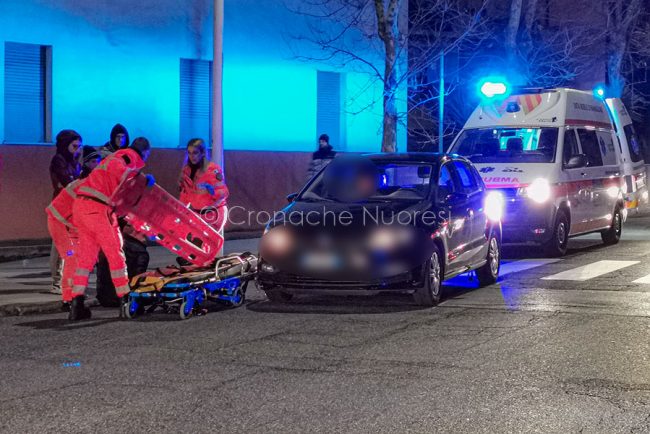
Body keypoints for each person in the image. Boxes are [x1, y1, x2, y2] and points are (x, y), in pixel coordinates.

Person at [69, 137, 152, 321]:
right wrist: (144, 180)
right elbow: (127, 181)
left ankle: (77, 303)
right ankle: (125, 302)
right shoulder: (127, 161)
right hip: (98, 209)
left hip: (81, 208)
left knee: (85, 259)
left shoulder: (111, 159)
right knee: (115, 255)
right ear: (144, 153)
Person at [45, 150, 100, 311]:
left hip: (68, 223)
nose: (97, 165)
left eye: (99, 162)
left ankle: (74, 295)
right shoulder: (85, 184)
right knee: (71, 257)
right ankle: (68, 298)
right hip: (59, 222)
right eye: (93, 162)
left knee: (78, 258)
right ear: (87, 164)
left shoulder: (87, 182)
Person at [48, 130, 82, 296]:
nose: (77, 150)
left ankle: (68, 280)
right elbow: (68, 182)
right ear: (65, 145)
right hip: (60, 208)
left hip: (72, 207)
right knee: (59, 244)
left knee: (70, 244)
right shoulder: (59, 160)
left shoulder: (74, 161)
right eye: (74, 146)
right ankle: (56, 281)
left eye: (79, 146)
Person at [179, 138, 229, 232]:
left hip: (214, 214)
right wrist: (179, 213)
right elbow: (184, 196)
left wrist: (211, 191)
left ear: (202, 153)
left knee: (202, 244)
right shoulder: (186, 171)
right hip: (198, 215)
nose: (191, 156)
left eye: (195, 153)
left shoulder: (213, 170)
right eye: (189, 153)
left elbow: (223, 194)